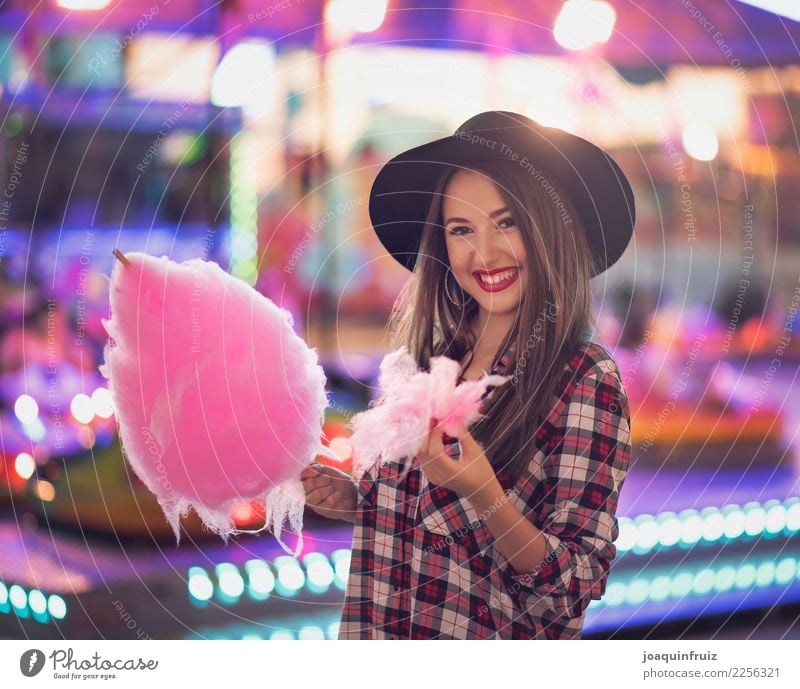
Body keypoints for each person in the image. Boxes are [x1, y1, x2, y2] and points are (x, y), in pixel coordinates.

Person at [300, 111, 635, 639]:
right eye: (461, 229)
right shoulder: (436, 360)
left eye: (508, 222)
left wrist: (488, 497)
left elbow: (570, 590)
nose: (484, 253)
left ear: (551, 229)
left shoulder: (584, 380)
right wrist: (366, 498)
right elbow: (435, 528)